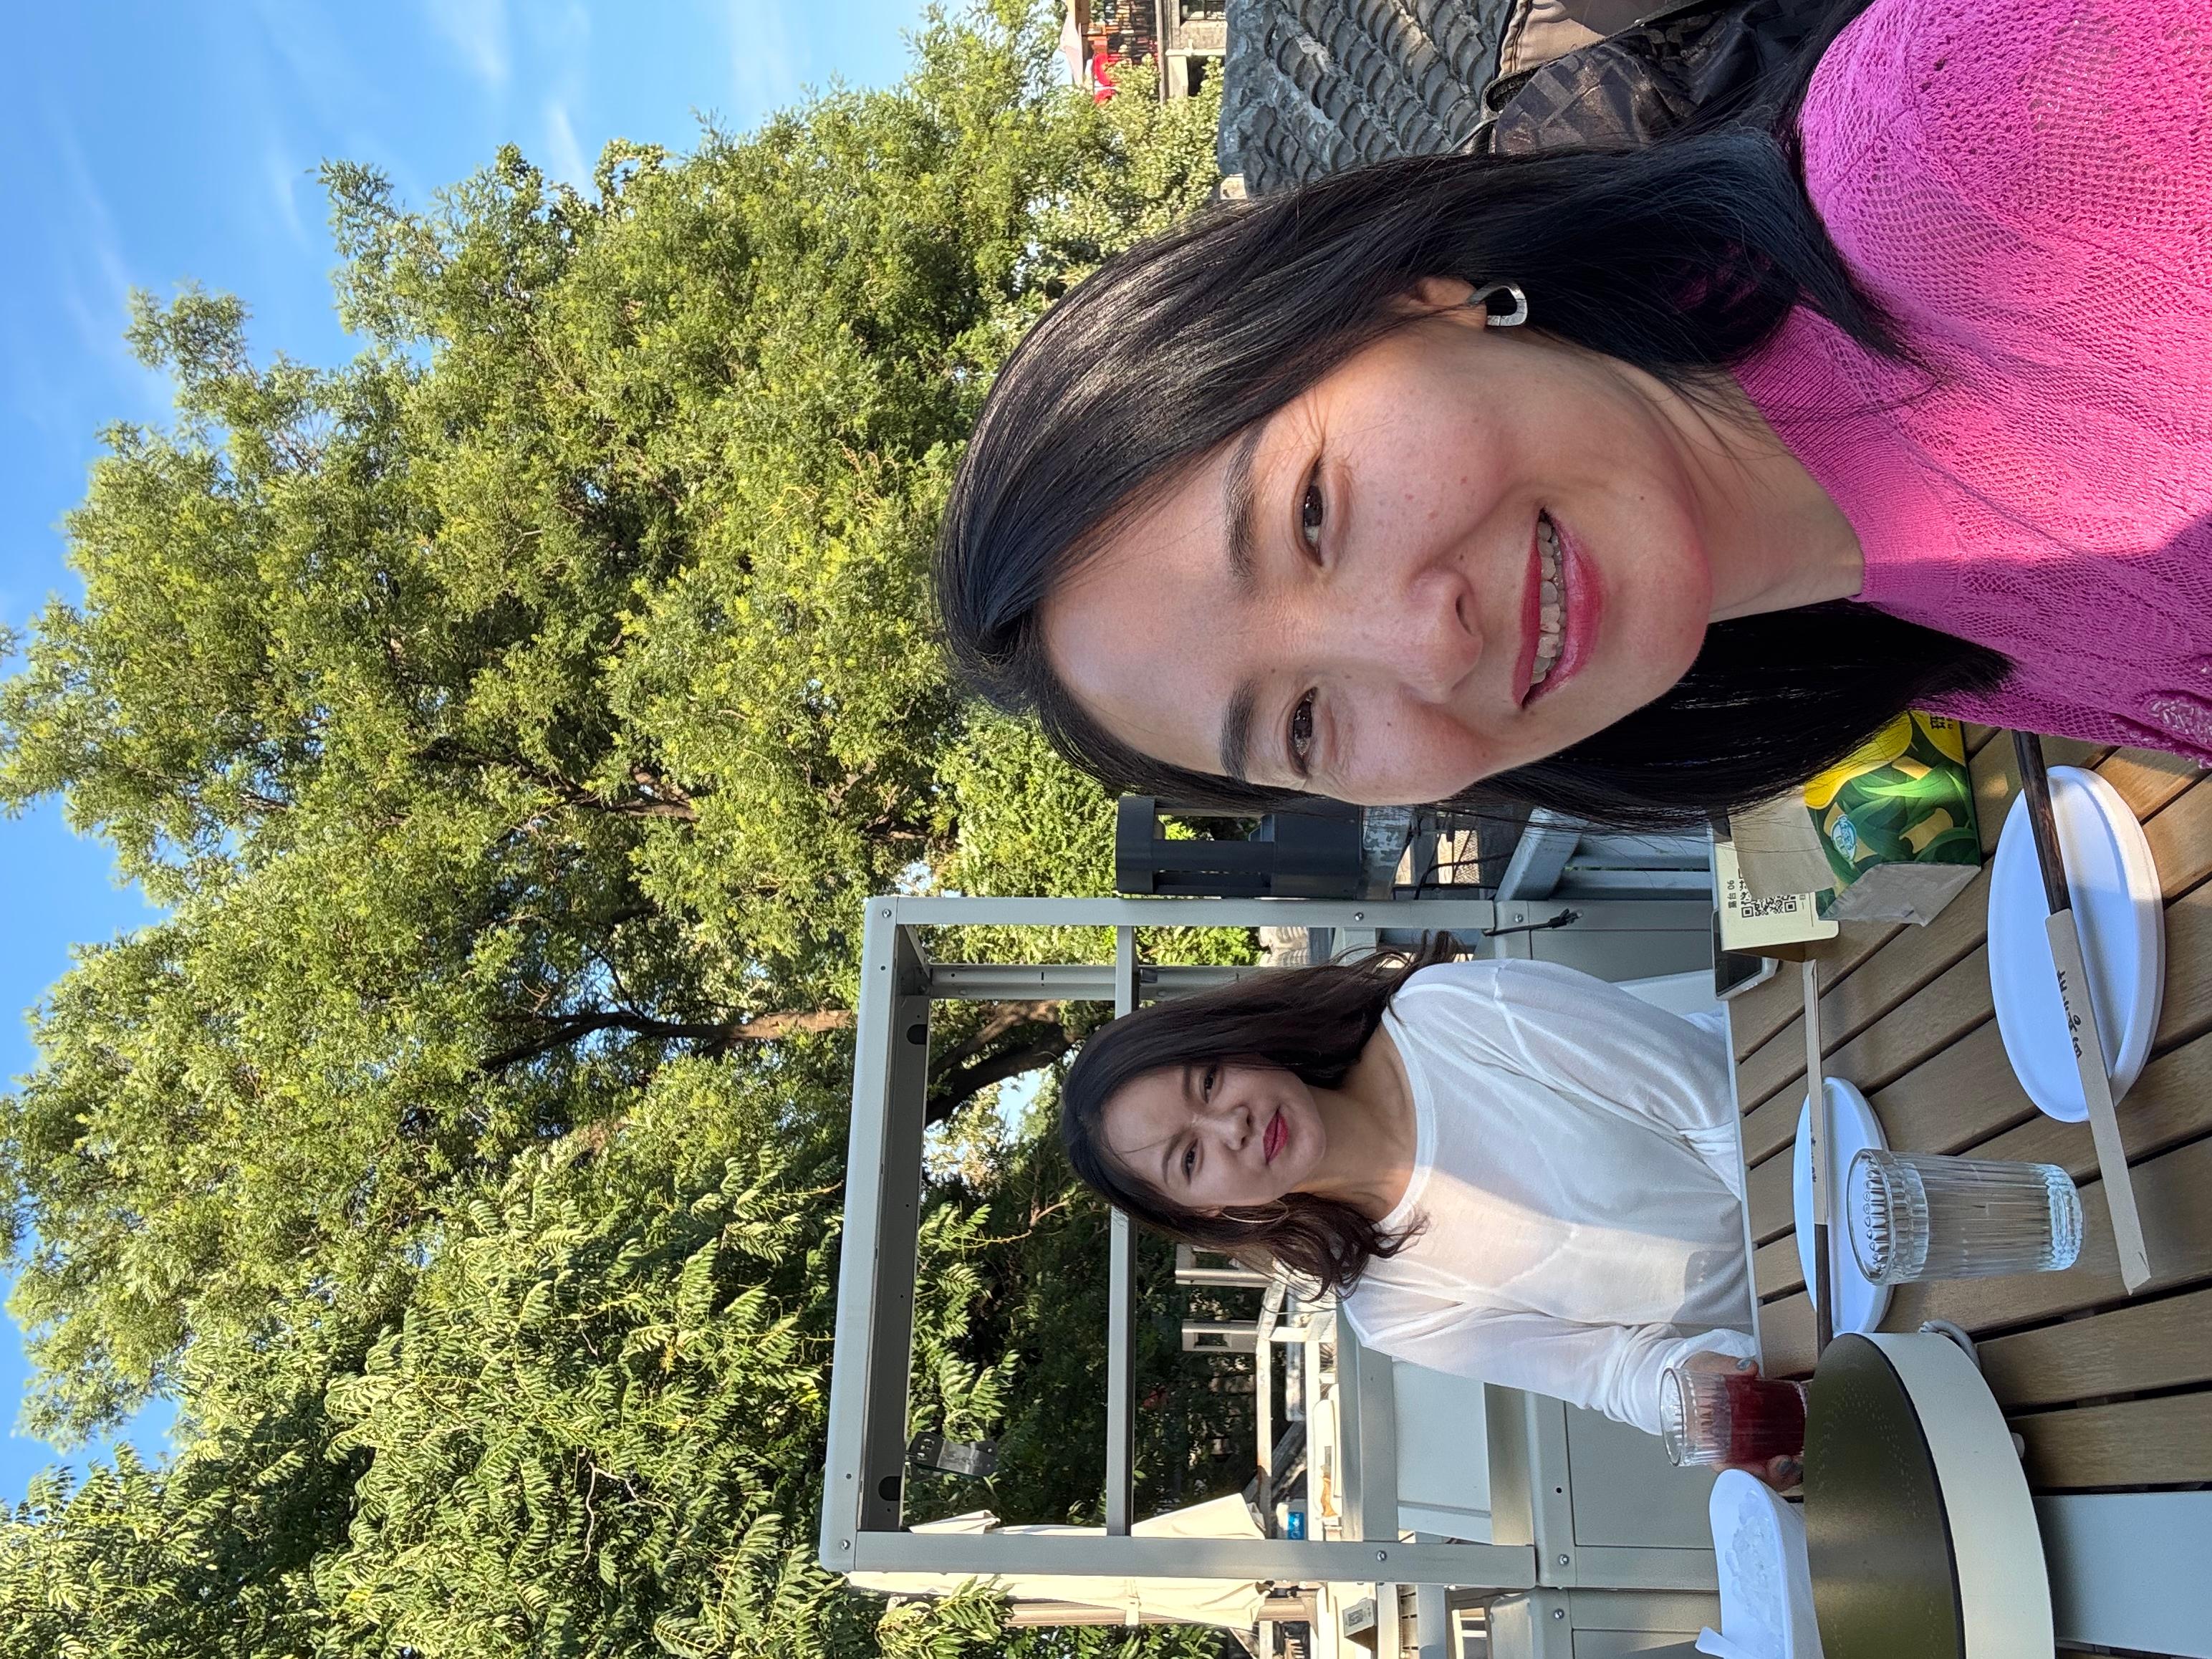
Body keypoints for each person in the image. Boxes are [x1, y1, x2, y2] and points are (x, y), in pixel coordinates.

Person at [936, 0, 2212, 829]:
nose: (1423, 646)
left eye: (1311, 513)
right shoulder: (1878, 634)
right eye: (1305, 724)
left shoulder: (1996, 133)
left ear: (1409, 299)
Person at [1059, 940, 1798, 1483]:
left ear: (1238, 1043)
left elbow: (1715, 1100)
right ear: (1210, 1211)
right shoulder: (1392, 1312)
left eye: (1209, 1081)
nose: (1232, 1126)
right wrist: (1707, 1396)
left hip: (1820, 1097)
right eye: (1191, 1158)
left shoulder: (1445, 1013)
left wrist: (1812, 1260)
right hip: (1824, 1295)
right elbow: (1611, 1374)